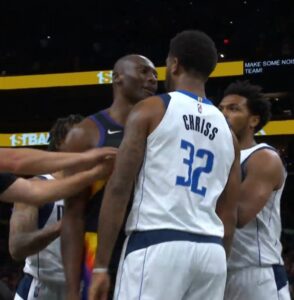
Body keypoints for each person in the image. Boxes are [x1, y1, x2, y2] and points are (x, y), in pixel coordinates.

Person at [88, 30, 240, 300]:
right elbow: (228, 214)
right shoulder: (229, 134)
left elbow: (119, 188)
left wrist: (100, 265)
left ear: (174, 64)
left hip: (158, 242)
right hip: (211, 252)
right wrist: (218, 266)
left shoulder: (151, 109)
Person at [61, 54, 158, 300]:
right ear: (117, 77)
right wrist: (72, 290)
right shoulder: (85, 133)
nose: (152, 79)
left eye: (155, 75)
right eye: (143, 71)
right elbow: (73, 215)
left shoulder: (161, 130)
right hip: (99, 247)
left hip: (149, 244)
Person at [218, 80, 291, 300]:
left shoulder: (263, 157)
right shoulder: (217, 158)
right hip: (219, 266)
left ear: (254, 120)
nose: (223, 114)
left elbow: (239, 215)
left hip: (255, 271)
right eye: (221, 108)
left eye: (233, 109)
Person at [9, 115, 84, 300]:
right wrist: (61, 226)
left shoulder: (94, 190)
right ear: (59, 142)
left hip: (80, 290)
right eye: (80, 136)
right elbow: (17, 248)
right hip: (40, 290)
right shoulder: (35, 187)